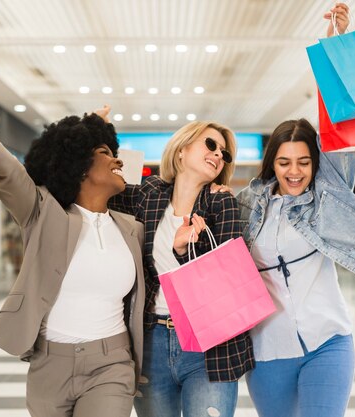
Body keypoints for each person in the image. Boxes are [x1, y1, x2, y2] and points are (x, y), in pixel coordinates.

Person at [0, 83, 145, 417]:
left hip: (112, 364)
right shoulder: (43, 213)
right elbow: (3, 167)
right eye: (105, 153)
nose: (117, 159)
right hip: (50, 366)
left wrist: (93, 126)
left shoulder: (132, 227)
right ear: (77, 165)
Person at [235, 5, 355, 416]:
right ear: (272, 163)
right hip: (268, 347)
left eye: (303, 162)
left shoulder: (326, 193)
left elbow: (341, 127)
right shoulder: (248, 203)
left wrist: (338, 45)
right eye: (284, 162)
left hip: (328, 339)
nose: (294, 171)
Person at [104, 110, 253, 417]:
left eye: (223, 153)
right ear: (182, 149)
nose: (217, 154)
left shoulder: (221, 202)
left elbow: (228, 278)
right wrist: (98, 133)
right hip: (152, 341)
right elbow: (101, 192)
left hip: (209, 347)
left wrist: (183, 252)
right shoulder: (150, 195)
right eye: (210, 144)